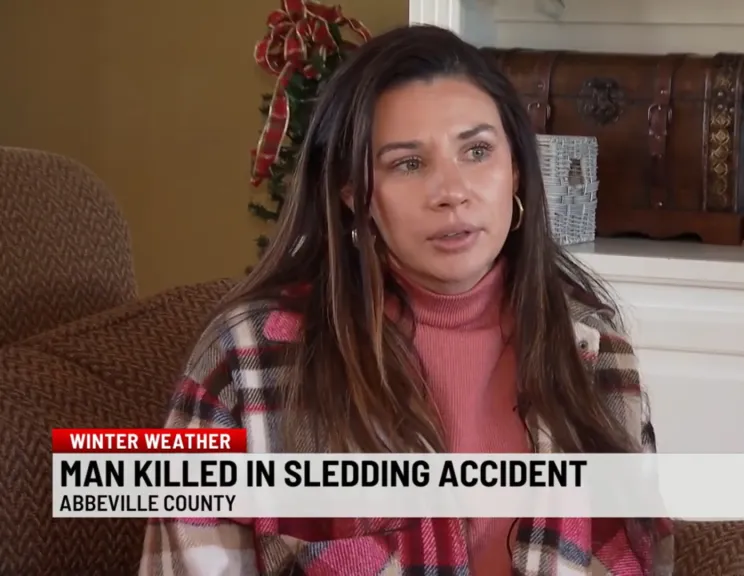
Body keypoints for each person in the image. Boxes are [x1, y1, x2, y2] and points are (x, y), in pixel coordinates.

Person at [138, 25, 674, 576]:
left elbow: (643, 553)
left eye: (477, 151)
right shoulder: (248, 359)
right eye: (408, 164)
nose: (452, 191)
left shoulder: (591, 340)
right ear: (354, 195)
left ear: (516, 170)